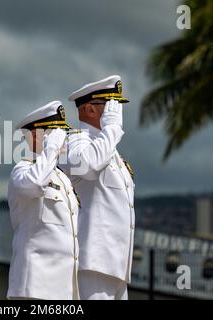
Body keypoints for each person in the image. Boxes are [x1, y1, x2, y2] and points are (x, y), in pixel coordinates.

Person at [60, 75, 135, 300]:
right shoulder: (74, 141)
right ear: (90, 110)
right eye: (111, 107)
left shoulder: (109, 150)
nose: (116, 113)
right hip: (93, 260)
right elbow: (88, 166)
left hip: (118, 263)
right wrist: (111, 129)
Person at [7, 101, 80, 300]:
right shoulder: (23, 170)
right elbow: (35, 183)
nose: (63, 139)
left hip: (62, 289)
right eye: (56, 133)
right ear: (34, 136)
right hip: (34, 285)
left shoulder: (63, 178)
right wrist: (51, 149)